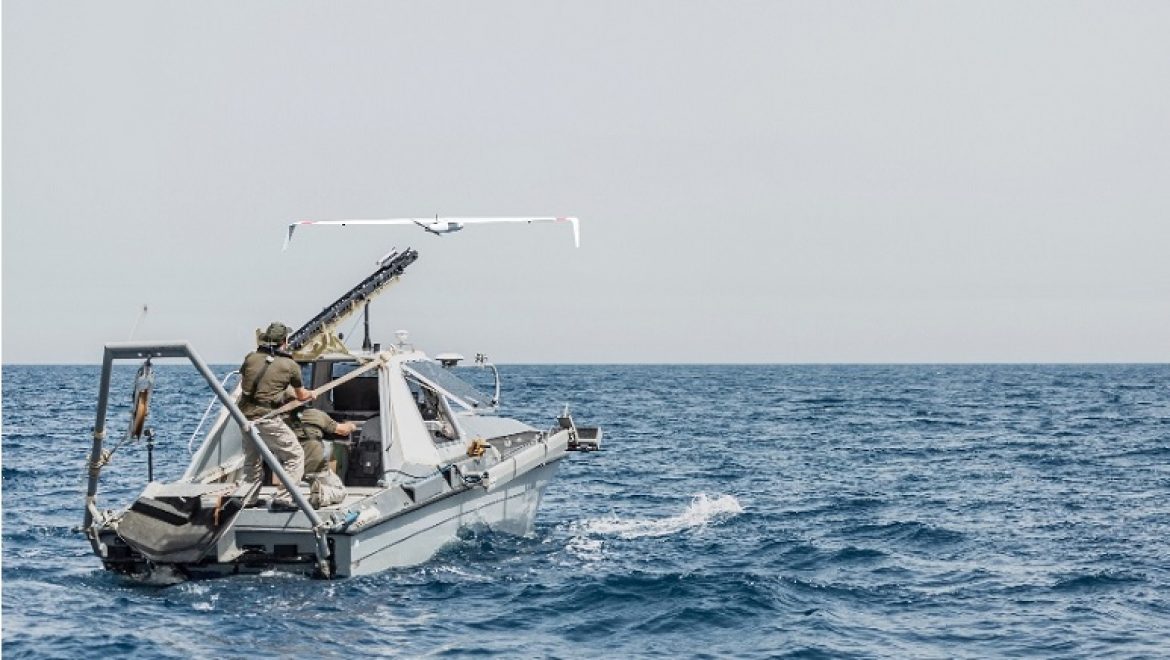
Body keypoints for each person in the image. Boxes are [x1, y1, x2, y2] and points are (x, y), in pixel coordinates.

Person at [238, 321, 313, 509]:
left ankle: (249, 499)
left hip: (244, 416)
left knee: (252, 459)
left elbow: (246, 383)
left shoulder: (250, 358)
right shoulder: (290, 365)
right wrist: (311, 394)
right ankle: (284, 498)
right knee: (295, 455)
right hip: (266, 418)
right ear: (285, 341)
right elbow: (301, 395)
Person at [284, 407, 356, 475]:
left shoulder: (279, 419)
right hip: (313, 463)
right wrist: (351, 425)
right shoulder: (315, 414)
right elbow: (343, 430)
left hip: (288, 465)